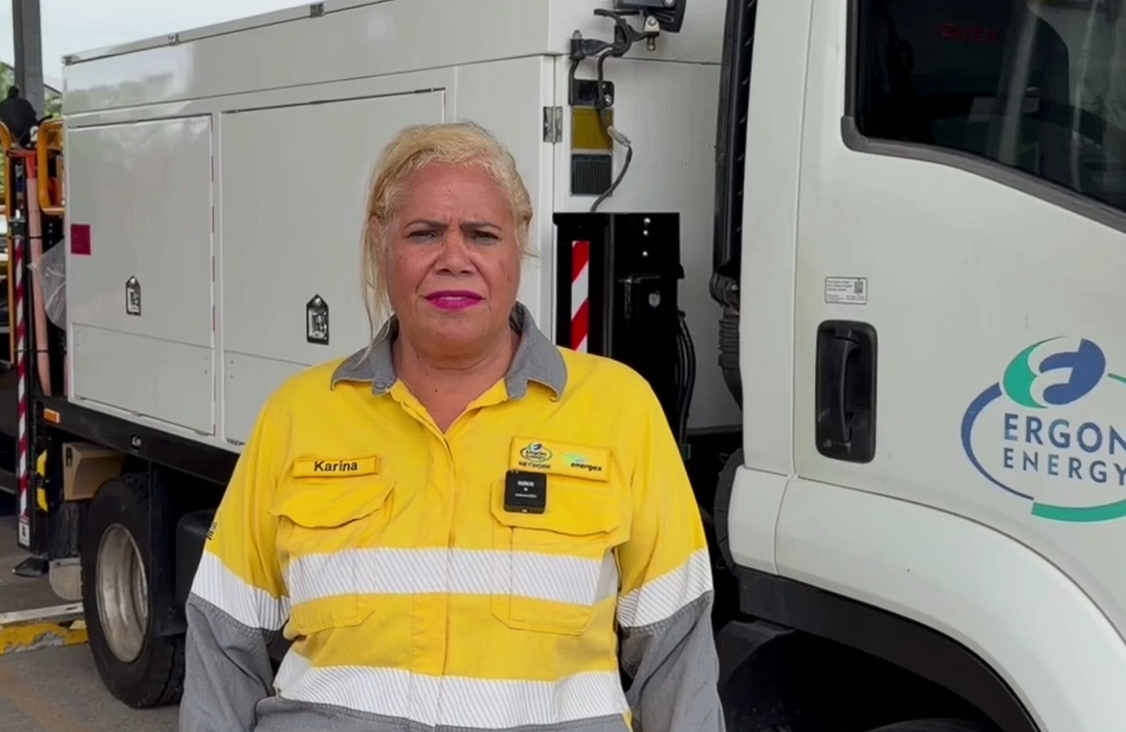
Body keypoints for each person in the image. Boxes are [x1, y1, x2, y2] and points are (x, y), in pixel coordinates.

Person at [180, 121, 724, 732]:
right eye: (424, 233)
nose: (454, 259)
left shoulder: (619, 409)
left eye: (482, 234)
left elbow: (677, 658)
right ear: (381, 246)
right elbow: (223, 646)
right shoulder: (297, 414)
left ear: (518, 246)